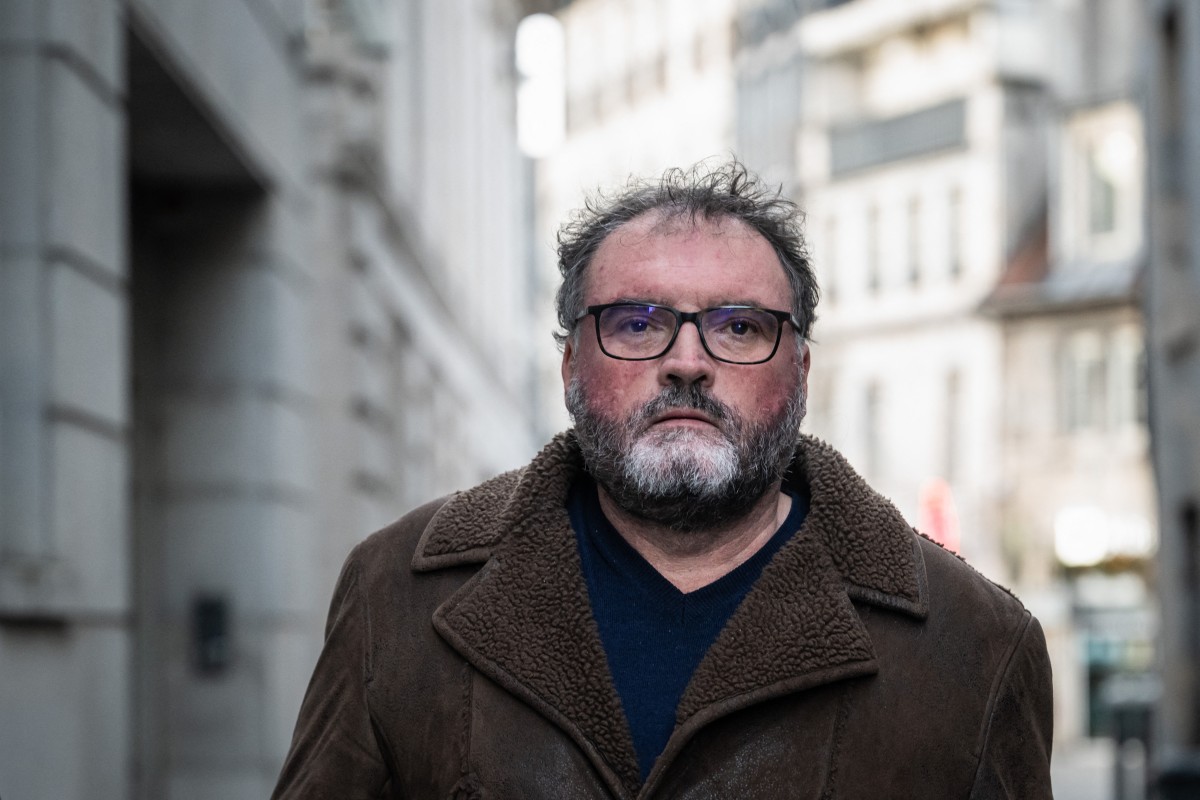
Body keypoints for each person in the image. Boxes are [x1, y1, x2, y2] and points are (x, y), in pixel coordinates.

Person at [272, 161, 1053, 799]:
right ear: (570, 364)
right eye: (637, 323)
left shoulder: (974, 645)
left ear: (801, 372)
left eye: (739, 327)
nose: (687, 362)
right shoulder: (398, 594)